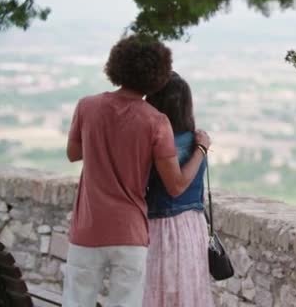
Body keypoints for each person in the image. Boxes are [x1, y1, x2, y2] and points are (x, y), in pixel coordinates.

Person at [64, 35, 211, 307]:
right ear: (157, 74)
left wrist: (105, 141)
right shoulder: (157, 121)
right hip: (130, 233)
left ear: (116, 65)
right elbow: (176, 186)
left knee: (76, 301)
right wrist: (201, 150)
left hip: (87, 227)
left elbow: (73, 154)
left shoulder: (87, 106)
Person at [142, 72, 214, 306]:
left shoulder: (154, 140)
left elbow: (173, 186)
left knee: (159, 290)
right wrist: (201, 150)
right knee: (187, 290)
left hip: (161, 224)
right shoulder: (194, 140)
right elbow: (181, 186)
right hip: (191, 224)